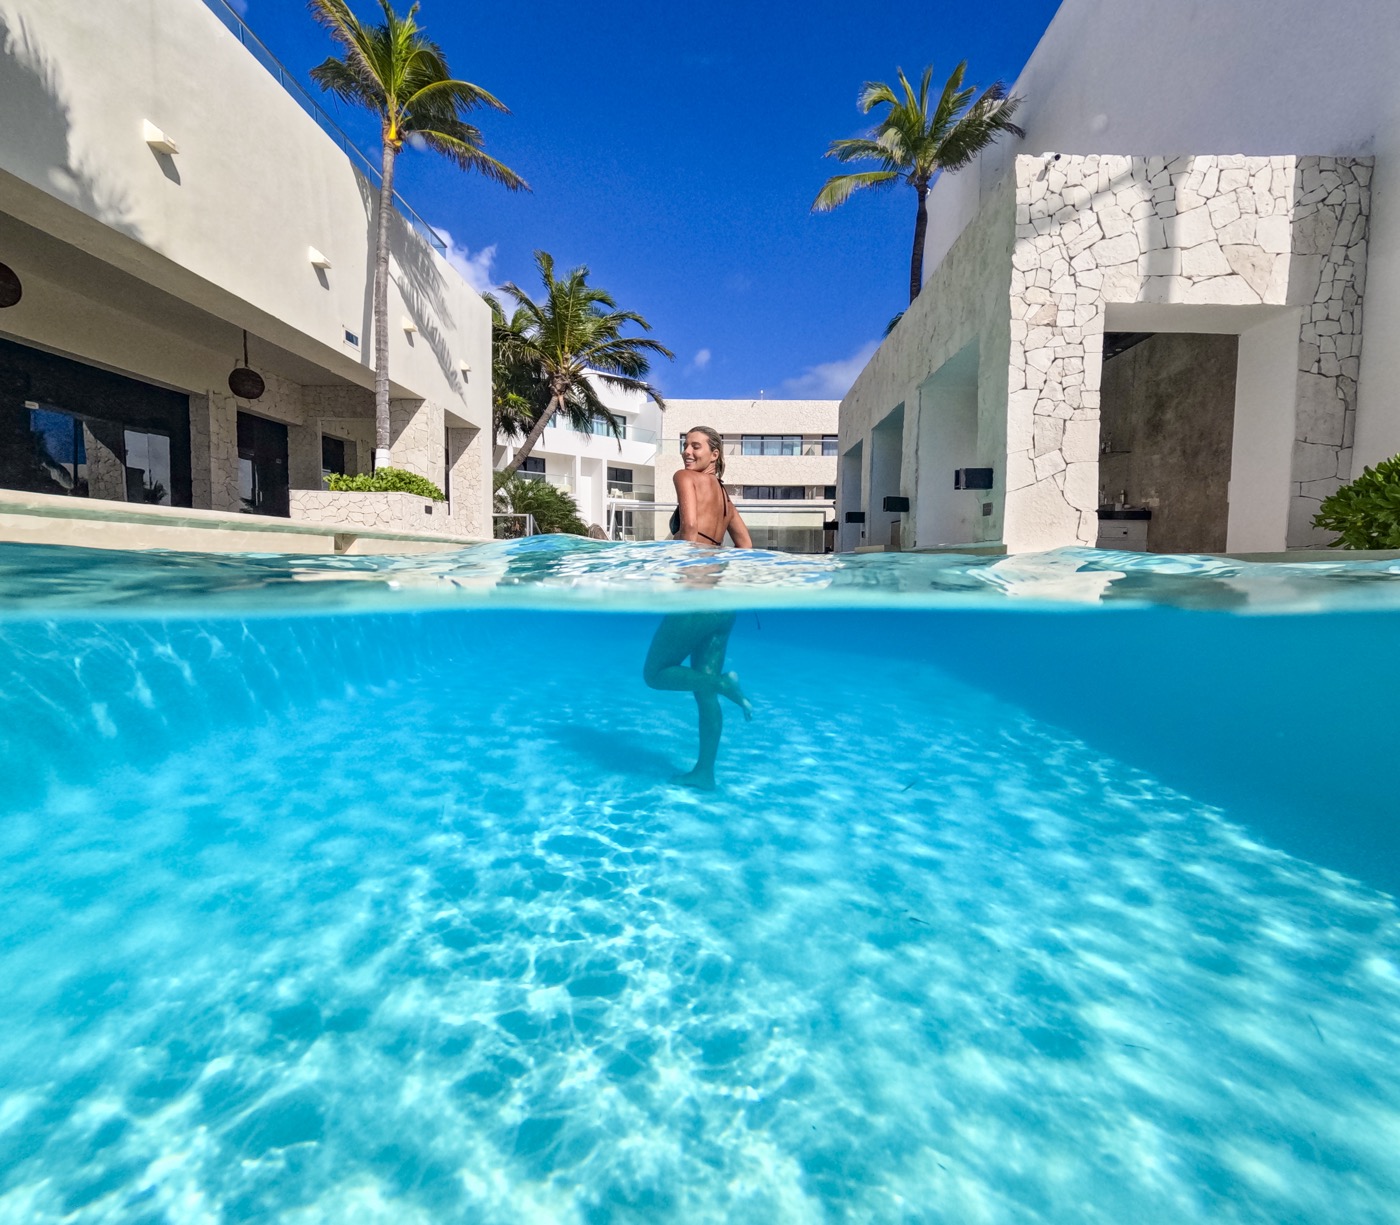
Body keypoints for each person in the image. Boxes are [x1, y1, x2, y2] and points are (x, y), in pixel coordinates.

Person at [643, 426, 753, 788]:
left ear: (714, 454)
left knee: (655, 674)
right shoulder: (725, 498)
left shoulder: (684, 478)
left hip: (694, 596)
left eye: (695, 446)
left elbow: (689, 529)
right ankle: (704, 773)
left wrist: (672, 571)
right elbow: (746, 546)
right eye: (684, 446)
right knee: (703, 694)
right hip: (723, 603)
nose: (687, 452)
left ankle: (724, 683)